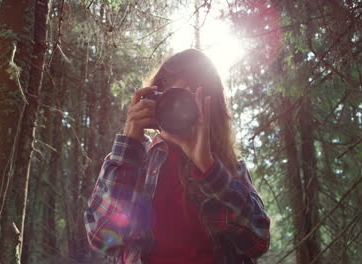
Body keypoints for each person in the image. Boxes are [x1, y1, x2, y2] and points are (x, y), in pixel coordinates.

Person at [84, 49, 270, 264]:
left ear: (209, 109)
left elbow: (258, 242)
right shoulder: (133, 162)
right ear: (155, 100)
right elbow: (100, 235)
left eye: (188, 102)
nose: (179, 110)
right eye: (173, 99)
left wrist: (208, 168)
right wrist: (130, 143)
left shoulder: (228, 168)